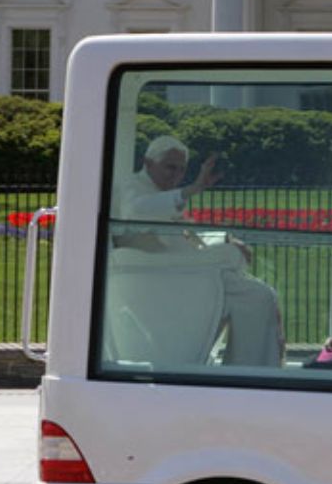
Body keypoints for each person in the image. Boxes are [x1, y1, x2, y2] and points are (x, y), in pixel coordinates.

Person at [105, 134, 283, 368]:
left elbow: (185, 237)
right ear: (148, 163)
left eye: (181, 170)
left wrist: (224, 238)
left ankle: (247, 368)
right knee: (257, 295)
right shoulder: (132, 187)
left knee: (260, 295)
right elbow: (136, 210)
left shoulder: (161, 193)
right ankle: (250, 370)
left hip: (187, 271)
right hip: (165, 276)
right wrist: (190, 190)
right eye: (170, 167)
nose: (176, 175)